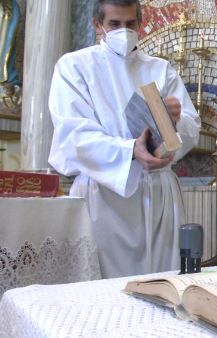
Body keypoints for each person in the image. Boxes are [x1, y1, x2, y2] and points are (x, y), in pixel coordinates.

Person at [48, 0, 200, 278]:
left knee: (162, 284)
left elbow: (192, 127)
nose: (123, 31)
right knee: (102, 291)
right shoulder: (74, 67)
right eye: (114, 24)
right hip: (104, 195)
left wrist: (172, 125)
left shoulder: (161, 69)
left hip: (158, 195)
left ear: (140, 24)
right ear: (98, 25)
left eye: (130, 24)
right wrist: (131, 149)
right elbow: (73, 134)